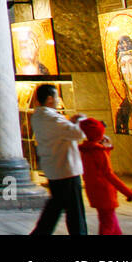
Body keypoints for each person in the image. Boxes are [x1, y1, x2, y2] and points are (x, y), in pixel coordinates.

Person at [29, 83, 88, 236]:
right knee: (74, 211)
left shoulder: (40, 116)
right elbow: (77, 133)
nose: (58, 100)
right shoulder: (50, 117)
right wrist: (81, 120)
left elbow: (63, 130)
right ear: (50, 99)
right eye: (56, 97)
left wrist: (71, 122)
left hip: (55, 168)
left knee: (54, 208)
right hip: (65, 170)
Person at [79, 117, 132, 235]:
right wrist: (128, 192)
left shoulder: (86, 150)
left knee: (111, 224)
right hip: (105, 192)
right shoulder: (98, 151)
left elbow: (98, 166)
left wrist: (106, 148)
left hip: (94, 191)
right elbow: (108, 174)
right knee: (108, 226)